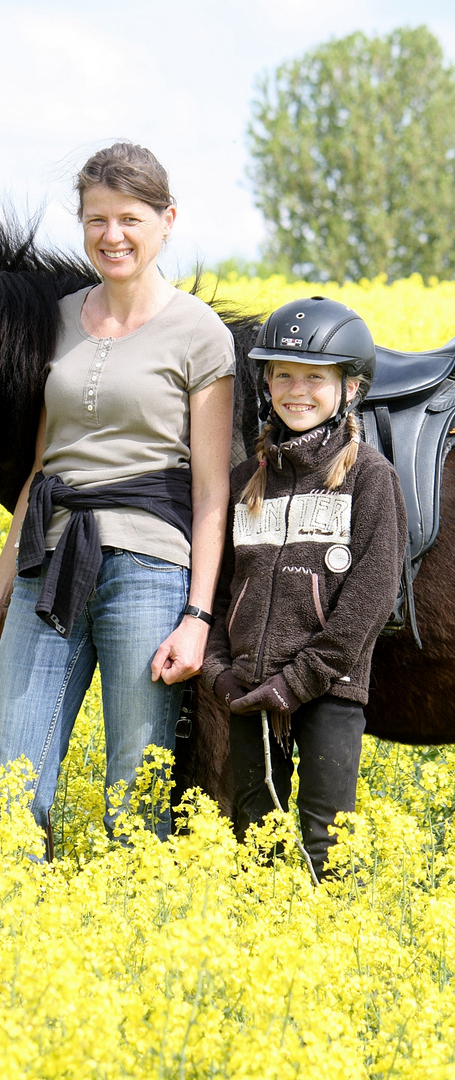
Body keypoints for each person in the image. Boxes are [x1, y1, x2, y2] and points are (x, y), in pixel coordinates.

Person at [0, 142, 236, 854]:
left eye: (130, 219)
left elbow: (211, 494)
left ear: (167, 220)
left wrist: (198, 617)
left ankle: (132, 948)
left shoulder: (198, 333)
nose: (112, 235)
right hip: (47, 566)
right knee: (9, 790)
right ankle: (11, 940)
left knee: (134, 802)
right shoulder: (58, 319)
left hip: (148, 572)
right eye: (96, 220)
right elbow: (40, 472)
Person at [202, 296, 408, 881]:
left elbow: (370, 600)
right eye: (284, 375)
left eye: (316, 378)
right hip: (248, 687)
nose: (297, 390)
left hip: (329, 690)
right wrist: (221, 668)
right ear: (266, 382)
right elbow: (222, 593)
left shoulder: (369, 478)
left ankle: (333, 948)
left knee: (326, 843)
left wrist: (298, 682)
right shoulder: (247, 481)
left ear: (349, 388)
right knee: (255, 842)